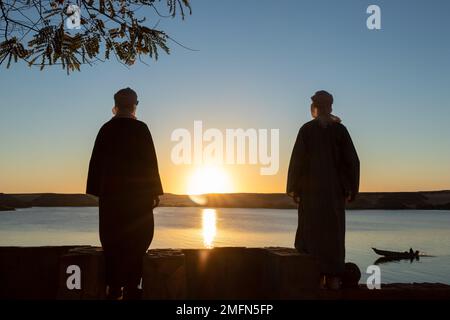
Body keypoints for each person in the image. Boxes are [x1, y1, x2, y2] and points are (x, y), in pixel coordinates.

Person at [86, 87, 163, 299]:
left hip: (112, 197)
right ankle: (132, 285)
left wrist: (98, 191)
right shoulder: (141, 129)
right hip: (138, 198)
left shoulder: (106, 129)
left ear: (116, 105)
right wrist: (154, 191)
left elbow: (96, 164)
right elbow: (150, 163)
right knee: (139, 238)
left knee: (112, 240)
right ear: (134, 105)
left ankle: (114, 286)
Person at [287, 90, 360, 290]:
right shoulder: (339, 131)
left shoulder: (307, 130)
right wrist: (350, 188)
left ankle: (314, 280)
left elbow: (297, 163)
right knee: (333, 234)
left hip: (311, 194)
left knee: (311, 233)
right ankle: (333, 280)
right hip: (333, 194)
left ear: (315, 108)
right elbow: (352, 162)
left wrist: (295, 189)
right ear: (330, 107)